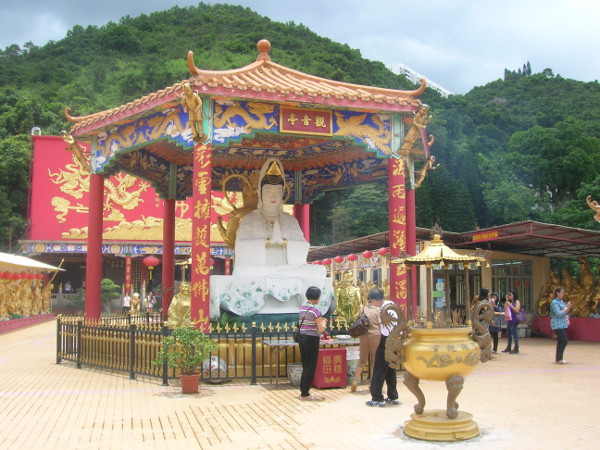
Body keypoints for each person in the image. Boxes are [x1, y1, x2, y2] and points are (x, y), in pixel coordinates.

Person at [233, 158, 326, 279]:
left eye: (278, 191)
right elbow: (240, 248)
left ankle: (280, 273)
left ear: (283, 193)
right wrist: (267, 242)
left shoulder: (291, 221)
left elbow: (303, 247)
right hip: (260, 270)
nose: (273, 196)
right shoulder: (249, 219)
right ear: (259, 192)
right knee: (242, 270)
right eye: (268, 191)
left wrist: (284, 243)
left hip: (287, 270)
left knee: (320, 270)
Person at [366, 289, 399, 407]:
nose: (372, 304)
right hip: (395, 339)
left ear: (374, 300)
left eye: (371, 302)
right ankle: (393, 396)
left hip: (387, 339)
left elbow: (386, 328)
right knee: (390, 368)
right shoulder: (392, 305)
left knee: (379, 368)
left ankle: (377, 397)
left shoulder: (384, 310)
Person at [298, 286, 327, 401]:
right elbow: (321, 329)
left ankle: (303, 389)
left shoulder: (302, 308)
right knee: (310, 365)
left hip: (302, 337)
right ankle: (305, 393)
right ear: (316, 298)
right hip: (311, 338)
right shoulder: (315, 310)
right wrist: (324, 323)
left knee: (305, 364)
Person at [350, 288, 382, 392]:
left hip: (364, 335)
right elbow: (382, 323)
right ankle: (372, 383)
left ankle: (355, 381)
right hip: (376, 335)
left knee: (362, 360)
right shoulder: (379, 310)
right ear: (374, 300)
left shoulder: (363, 308)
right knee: (375, 360)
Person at [550, 286, 572, 364]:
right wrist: (567, 308)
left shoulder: (561, 301)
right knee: (564, 340)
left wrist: (568, 309)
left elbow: (565, 312)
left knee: (561, 341)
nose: (563, 294)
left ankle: (559, 358)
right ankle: (559, 358)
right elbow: (558, 313)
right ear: (557, 293)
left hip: (563, 324)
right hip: (557, 324)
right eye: (562, 293)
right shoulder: (554, 302)